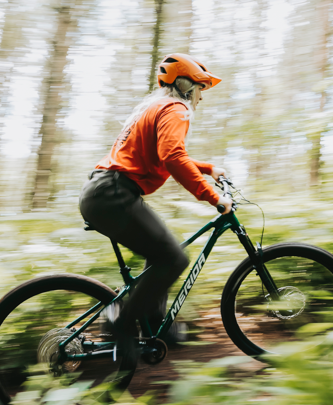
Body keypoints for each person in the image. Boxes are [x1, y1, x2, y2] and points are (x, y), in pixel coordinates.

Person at [79, 53, 233, 367]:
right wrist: (211, 196)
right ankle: (121, 323)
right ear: (186, 86)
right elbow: (173, 156)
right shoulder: (177, 108)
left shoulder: (153, 107)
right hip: (114, 194)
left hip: (105, 191)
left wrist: (207, 169)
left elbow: (162, 153)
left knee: (162, 254)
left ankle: (157, 322)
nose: (202, 96)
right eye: (200, 87)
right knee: (174, 257)